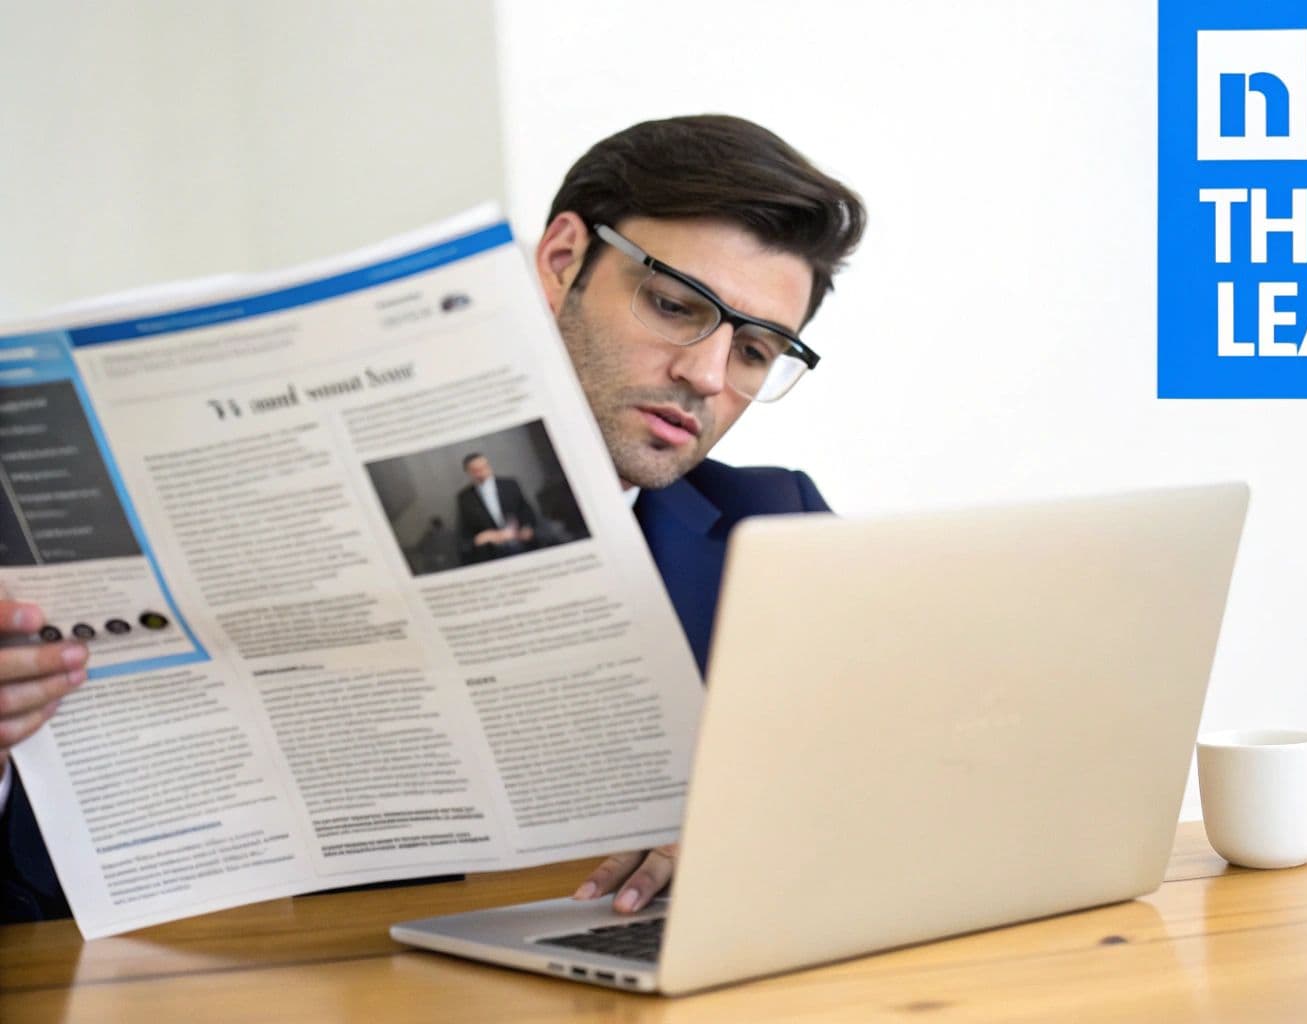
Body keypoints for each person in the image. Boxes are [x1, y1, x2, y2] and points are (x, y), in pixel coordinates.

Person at [0, 114, 866, 925]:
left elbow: (884, 799)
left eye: (754, 351)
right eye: (675, 306)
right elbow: (32, 891)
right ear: (563, 258)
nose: (707, 376)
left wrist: (752, 837)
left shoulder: (773, 529)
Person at [454, 452, 538, 564]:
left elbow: (526, 510)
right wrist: (480, 538)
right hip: (492, 552)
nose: (483, 472)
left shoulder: (510, 484)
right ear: (468, 472)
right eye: (476, 470)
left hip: (521, 542)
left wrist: (526, 528)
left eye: (485, 467)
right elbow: (465, 531)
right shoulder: (464, 497)